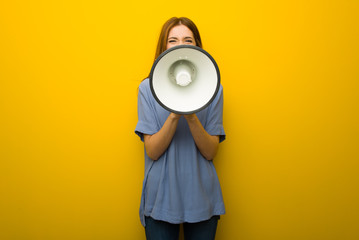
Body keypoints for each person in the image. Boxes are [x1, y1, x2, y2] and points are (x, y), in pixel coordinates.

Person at [135, 17, 225, 240]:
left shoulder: (214, 89)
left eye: (188, 40)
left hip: (202, 196)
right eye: (172, 40)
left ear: (197, 46)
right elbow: (152, 151)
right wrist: (175, 112)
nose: (180, 45)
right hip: (161, 197)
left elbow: (211, 151)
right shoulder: (146, 89)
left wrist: (192, 113)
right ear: (163, 47)